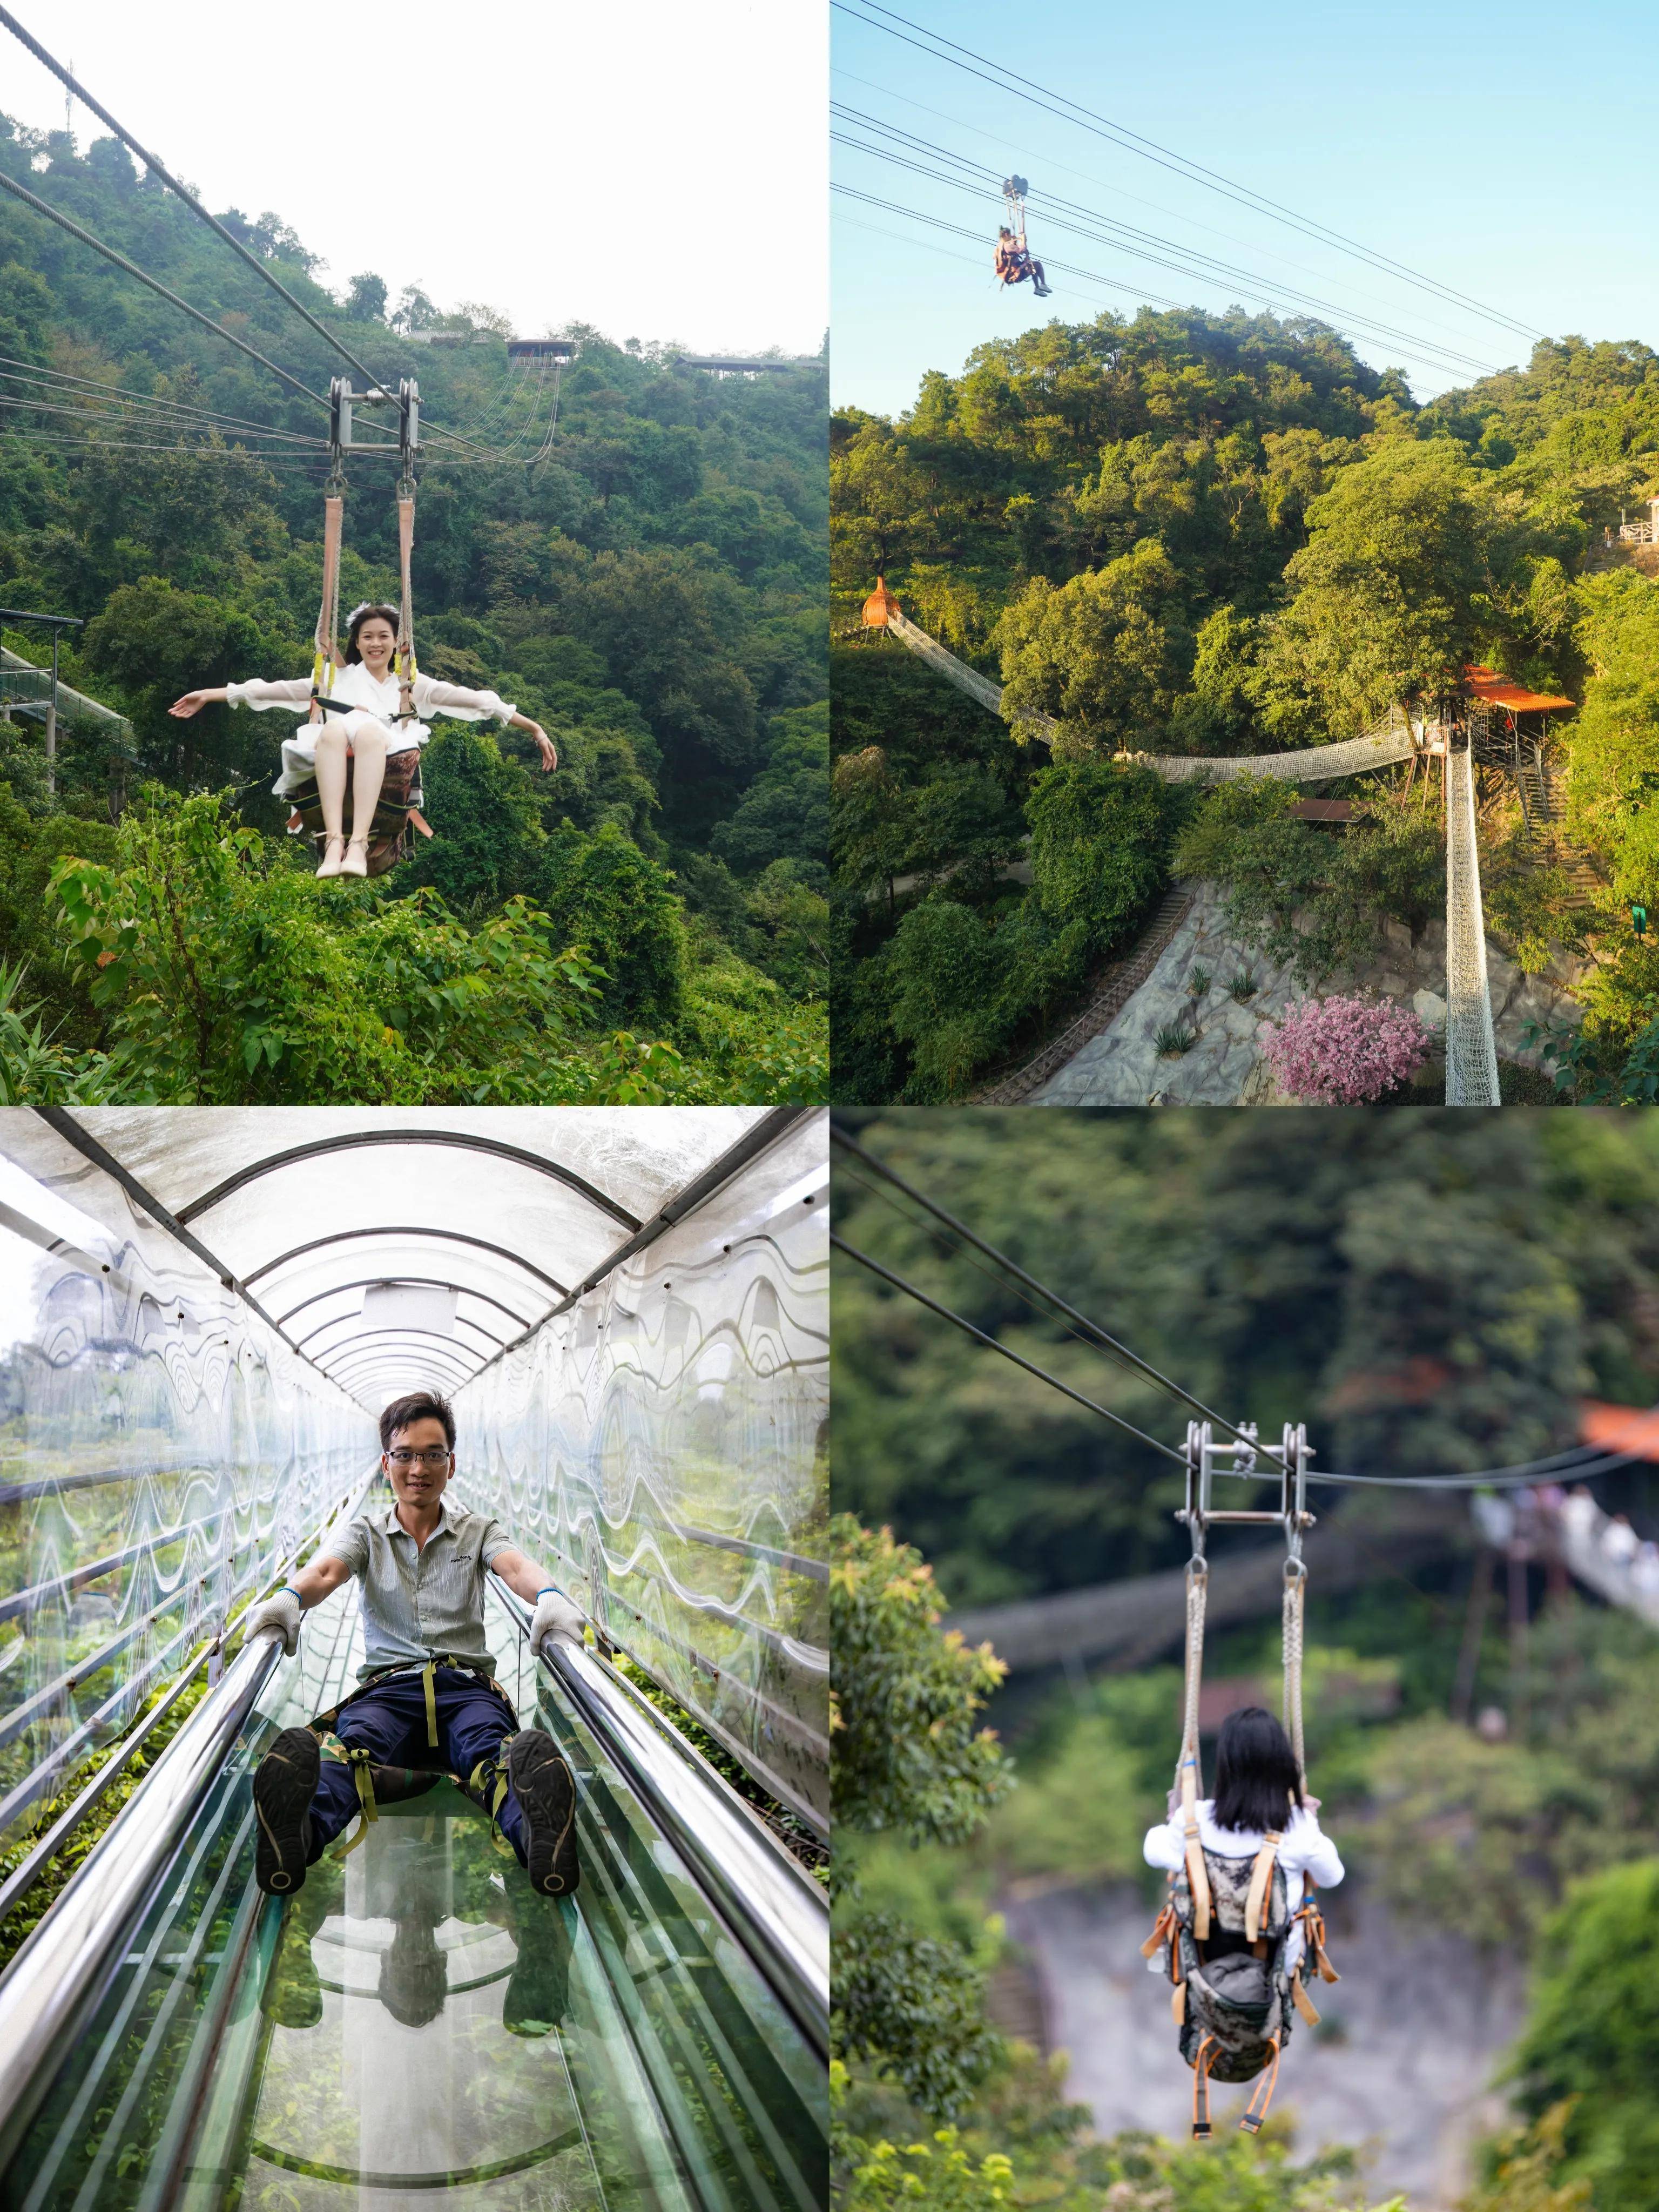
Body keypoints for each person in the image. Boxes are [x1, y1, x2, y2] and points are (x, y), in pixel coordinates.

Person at [243, 1388, 584, 1900]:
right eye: (405, 1455)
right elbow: (327, 1570)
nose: (418, 1468)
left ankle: (541, 1839)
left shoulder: (476, 1531)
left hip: (464, 1688)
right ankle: (297, 1837)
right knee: (351, 1749)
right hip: (390, 1689)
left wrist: (551, 1596)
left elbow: (515, 1567)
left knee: (490, 1751)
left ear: (451, 1464)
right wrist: (289, 1599)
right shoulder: (366, 1534)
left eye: (432, 1455)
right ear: (386, 1464)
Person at [168, 602, 559, 878]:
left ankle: (358, 844)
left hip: (385, 752)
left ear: (395, 644)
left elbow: (476, 700)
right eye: (367, 637)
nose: (376, 644)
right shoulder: (334, 680)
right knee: (337, 727)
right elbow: (272, 691)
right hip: (335, 747)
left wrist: (533, 727)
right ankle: (334, 842)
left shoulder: (410, 685)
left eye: (384, 637)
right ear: (356, 643)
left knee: (368, 729)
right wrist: (210, 694)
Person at [1142, 1706, 1342, 1977]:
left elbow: (1152, 1849)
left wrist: (1176, 1816)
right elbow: (1332, 1877)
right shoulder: (1297, 1826)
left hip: (1206, 1965)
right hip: (1277, 1971)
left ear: (1226, 1764)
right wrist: (1310, 1822)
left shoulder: (1195, 1820)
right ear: (1281, 1762)